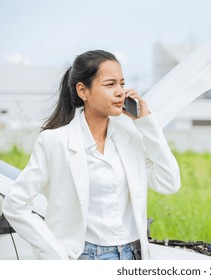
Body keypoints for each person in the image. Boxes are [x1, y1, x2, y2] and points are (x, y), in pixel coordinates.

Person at [1, 50, 180, 260]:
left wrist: (147, 124)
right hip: (86, 257)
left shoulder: (130, 137)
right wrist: (55, 252)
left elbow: (169, 182)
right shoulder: (55, 141)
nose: (120, 92)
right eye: (110, 84)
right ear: (82, 91)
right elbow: (15, 204)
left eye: (122, 84)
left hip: (133, 255)